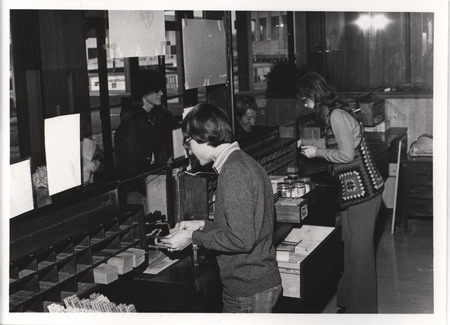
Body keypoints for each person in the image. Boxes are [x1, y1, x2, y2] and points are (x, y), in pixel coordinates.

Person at [160, 103, 282, 313]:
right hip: (256, 283)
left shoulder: (233, 171)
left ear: (204, 136)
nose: (188, 150)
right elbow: (240, 226)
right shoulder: (242, 161)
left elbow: (241, 240)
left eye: (187, 142)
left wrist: (192, 238)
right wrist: (201, 225)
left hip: (248, 290)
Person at [297, 72, 384, 313]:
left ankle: (363, 312)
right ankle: (349, 304)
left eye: (306, 99)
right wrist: (317, 145)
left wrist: (318, 154)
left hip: (364, 193)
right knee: (349, 247)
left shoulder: (336, 116)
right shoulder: (334, 112)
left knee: (360, 253)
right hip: (355, 192)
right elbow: (342, 143)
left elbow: (345, 155)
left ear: (314, 96)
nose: (305, 104)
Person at [114, 69, 177, 179]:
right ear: (143, 91)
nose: (161, 93)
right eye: (156, 90)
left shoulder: (160, 118)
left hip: (159, 179)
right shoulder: (130, 126)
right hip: (144, 187)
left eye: (161, 89)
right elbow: (130, 170)